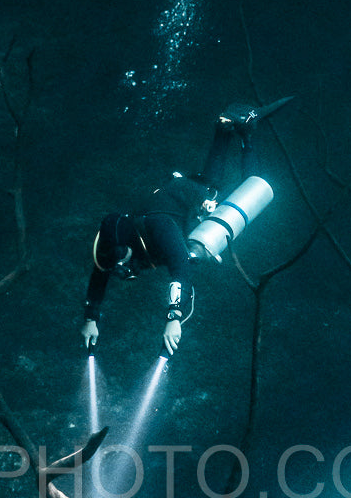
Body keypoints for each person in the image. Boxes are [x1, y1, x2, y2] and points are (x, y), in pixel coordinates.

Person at [80, 97, 292, 354]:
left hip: (180, 198)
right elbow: (99, 275)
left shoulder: (158, 231)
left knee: (233, 189)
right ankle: (223, 129)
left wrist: (174, 318)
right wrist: (91, 319)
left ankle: (246, 133)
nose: (125, 271)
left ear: (128, 249)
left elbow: (180, 268)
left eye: (123, 264)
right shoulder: (111, 243)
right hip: (169, 201)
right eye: (120, 269)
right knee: (207, 185)